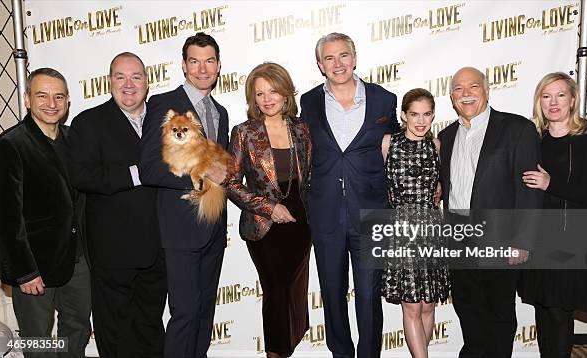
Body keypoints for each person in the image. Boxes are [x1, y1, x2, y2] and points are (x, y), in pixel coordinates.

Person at [299, 32, 400, 358]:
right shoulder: (309, 102)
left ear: (354, 58)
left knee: (370, 296)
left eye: (343, 55)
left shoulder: (384, 99)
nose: (337, 63)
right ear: (320, 64)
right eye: (329, 58)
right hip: (326, 212)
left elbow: (399, 146)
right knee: (331, 292)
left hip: (371, 212)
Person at [437, 67, 542, 358]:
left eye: (473, 87)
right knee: (468, 308)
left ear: (487, 90)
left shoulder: (516, 129)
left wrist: (522, 240)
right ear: (451, 97)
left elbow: (529, 190)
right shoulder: (445, 137)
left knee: (499, 312)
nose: (466, 94)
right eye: (458, 89)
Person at [67, 52, 166, 357]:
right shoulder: (88, 122)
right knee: (115, 330)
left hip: (158, 246)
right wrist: (136, 174)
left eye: (136, 77)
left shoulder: (166, 120)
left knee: (151, 326)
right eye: (120, 77)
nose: (128, 85)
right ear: (109, 82)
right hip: (113, 251)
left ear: (147, 83)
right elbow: (81, 175)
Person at [140, 32, 229, 358]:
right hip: (179, 232)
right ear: (184, 66)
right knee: (186, 314)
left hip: (214, 230)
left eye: (209, 62)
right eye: (195, 61)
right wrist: (201, 169)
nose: (202, 69)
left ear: (219, 66)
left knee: (205, 314)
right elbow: (149, 168)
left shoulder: (220, 112)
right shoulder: (164, 105)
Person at [0, 68, 91, 357]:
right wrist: (23, 272)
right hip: (34, 265)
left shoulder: (75, 139)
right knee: (38, 340)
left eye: (58, 96)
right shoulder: (10, 145)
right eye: (42, 95)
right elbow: (6, 218)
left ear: (67, 102)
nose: (51, 103)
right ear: (27, 99)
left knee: (76, 328)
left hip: (77, 261)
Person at [518, 72, 587, 358]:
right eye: (546, 96)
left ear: (572, 99)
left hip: (575, 241)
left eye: (560, 95)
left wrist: (552, 184)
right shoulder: (534, 140)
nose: (553, 102)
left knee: (559, 312)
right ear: (539, 102)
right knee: (543, 310)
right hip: (538, 240)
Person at [225, 63, 312, 358]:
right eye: (259, 93)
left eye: (273, 91)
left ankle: (287, 348)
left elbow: (309, 177)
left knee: (293, 293)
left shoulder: (301, 129)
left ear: (286, 92)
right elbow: (230, 183)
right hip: (264, 227)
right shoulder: (244, 133)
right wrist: (268, 207)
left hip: (300, 223)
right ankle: (275, 353)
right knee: (275, 292)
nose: (267, 99)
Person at [380, 88, 450, 358]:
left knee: (428, 306)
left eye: (427, 114)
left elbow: (441, 184)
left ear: (433, 116)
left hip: (432, 231)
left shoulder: (437, 146)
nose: (421, 121)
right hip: (401, 233)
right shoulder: (388, 143)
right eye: (414, 114)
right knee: (411, 307)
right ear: (403, 115)